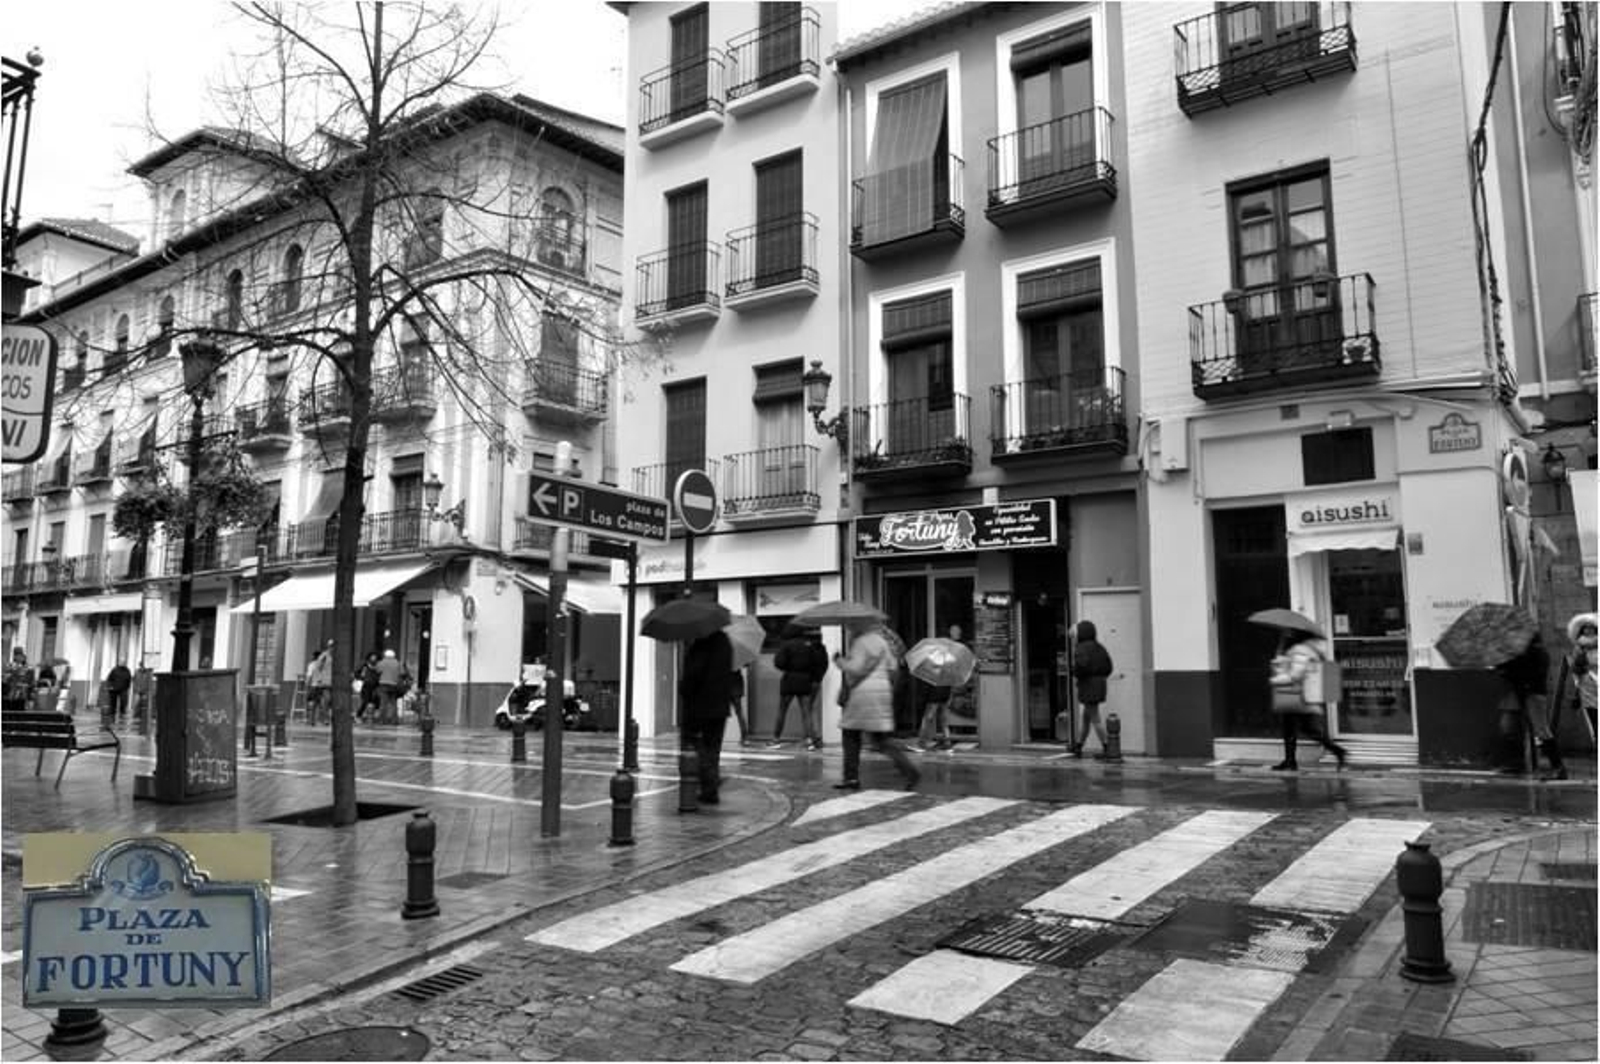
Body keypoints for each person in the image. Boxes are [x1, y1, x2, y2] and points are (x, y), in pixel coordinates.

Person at [834, 617, 919, 791]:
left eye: (851, 625)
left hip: (862, 694)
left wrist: (840, 662)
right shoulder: (882, 642)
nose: (849, 628)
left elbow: (856, 669)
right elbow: (893, 667)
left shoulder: (860, 642)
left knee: (850, 735)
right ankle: (909, 771)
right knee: (881, 740)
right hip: (882, 691)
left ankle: (851, 778)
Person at [1268, 630, 1349, 771]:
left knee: (1306, 729)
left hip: (1299, 696)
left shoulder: (1300, 650)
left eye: (1289, 636)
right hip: (1299, 695)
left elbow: (1296, 674)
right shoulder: (1303, 649)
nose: (1287, 638)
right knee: (1292, 729)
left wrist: (1276, 679)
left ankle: (1338, 751)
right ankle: (1290, 761)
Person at [1498, 632, 1565, 781]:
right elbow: (1508, 670)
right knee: (1509, 727)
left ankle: (1558, 767)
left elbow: (1532, 674)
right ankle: (1516, 763)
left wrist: (1512, 669)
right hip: (1516, 693)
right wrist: (1503, 666)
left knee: (1541, 730)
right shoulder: (1516, 653)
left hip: (1532, 693)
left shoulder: (1538, 653)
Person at [680, 627, 734, 804]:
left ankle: (706, 788)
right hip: (720, 705)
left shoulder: (701, 646)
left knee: (695, 747)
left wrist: (683, 688)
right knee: (713, 749)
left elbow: (692, 677)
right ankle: (710, 788)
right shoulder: (725, 643)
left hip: (700, 706)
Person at [773, 624, 828, 749]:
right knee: (806, 712)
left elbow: (778, 663)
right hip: (805, 681)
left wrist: (788, 667)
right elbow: (815, 663)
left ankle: (776, 739)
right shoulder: (808, 645)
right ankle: (809, 741)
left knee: (782, 710)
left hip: (789, 680)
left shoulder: (786, 645)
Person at [1070, 621, 1114, 759]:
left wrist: (1074, 671)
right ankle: (1078, 746)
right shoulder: (1100, 647)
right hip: (1100, 684)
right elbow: (1109, 667)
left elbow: (1081, 667)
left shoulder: (1081, 648)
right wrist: (1099, 677)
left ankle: (1109, 748)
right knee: (1086, 718)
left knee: (1095, 719)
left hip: (1088, 686)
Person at [1553, 612, 1597, 744]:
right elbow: (1576, 669)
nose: (1588, 630)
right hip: (1588, 687)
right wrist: (1580, 659)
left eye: (1591, 628)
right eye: (1585, 628)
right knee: (1594, 719)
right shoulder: (1579, 648)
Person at [306, 641, 334, 726]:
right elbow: (318, 668)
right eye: (332, 646)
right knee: (316, 701)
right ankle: (312, 720)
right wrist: (318, 679)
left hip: (328, 683)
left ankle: (324, 719)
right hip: (320, 683)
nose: (333, 648)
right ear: (329, 647)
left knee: (326, 701)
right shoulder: (324, 656)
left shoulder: (333, 657)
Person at [376, 649, 405, 725]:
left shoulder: (382, 662)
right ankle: (394, 720)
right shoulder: (398, 663)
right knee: (393, 703)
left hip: (383, 684)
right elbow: (402, 673)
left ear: (385, 655)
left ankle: (382, 720)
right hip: (394, 685)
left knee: (383, 703)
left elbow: (378, 671)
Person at [4, 648, 34, 715]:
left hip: (23, 694)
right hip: (12, 694)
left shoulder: (29, 668)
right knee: (11, 712)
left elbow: (31, 682)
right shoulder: (10, 666)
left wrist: (27, 686)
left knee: (21, 713)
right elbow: (6, 680)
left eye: (20, 655)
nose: (18, 657)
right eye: (16, 655)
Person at [103, 660, 132, 727]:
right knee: (113, 703)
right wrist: (109, 686)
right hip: (114, 689)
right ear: (119, 663)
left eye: (123, 662)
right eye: (121, 662)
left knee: (123, 701)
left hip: (123, 689)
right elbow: (109, 678)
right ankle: (112, 716)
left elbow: (129, 680)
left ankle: (122, 714)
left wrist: (127, 687)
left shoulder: (127, 671)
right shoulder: (114, 670)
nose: (122, 663)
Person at [728, 666, 751, 746]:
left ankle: (714, 738)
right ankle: (745, 738)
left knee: (718, 714)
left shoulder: (722, 657)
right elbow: (746, 664)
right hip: (736, 687)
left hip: (725, 686)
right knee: (740, 713)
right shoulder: (739, 657)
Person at [356, 652, 381, 722]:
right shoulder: (364, 666)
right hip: (366, 685)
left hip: (375, 686)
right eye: (372, 658)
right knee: (365, 701)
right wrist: (361, 678)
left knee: (376, 701)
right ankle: (359, 715)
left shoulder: (378, 666)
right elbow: (357, 673)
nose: (373, 659)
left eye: (375, 658)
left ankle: (371, 716)